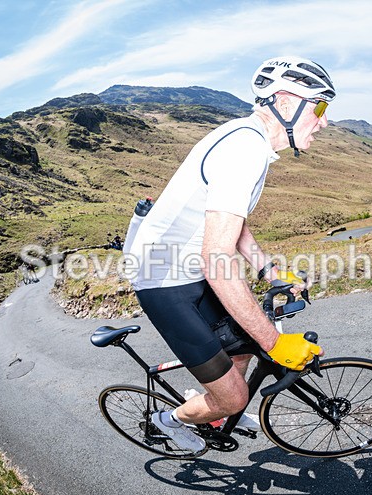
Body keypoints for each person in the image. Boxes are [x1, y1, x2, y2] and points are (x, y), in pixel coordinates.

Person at [123, 57, 333, 452]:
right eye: (320, 106)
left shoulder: (250, 140)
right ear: (286, 103)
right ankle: (168, 420)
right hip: (162, 281)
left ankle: (213, 406)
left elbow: (232, 224)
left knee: (240, 352)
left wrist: (270, 272)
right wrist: (275, 343)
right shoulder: (244, 150)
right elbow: (216, 260)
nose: (324, 121)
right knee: (236, 394)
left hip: (186, 270)